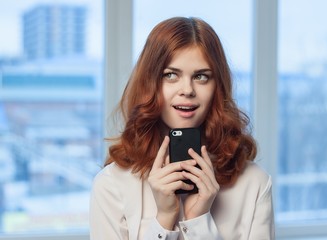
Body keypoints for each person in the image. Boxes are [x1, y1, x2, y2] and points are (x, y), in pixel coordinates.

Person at [89, 16, 275, 240]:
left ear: (217, 87)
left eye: (201, 76)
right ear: (150, 83)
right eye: (170, 75)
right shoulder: (112, 185)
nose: (187, 90)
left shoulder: (254, 183)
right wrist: (164, 219)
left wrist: (199, 221)